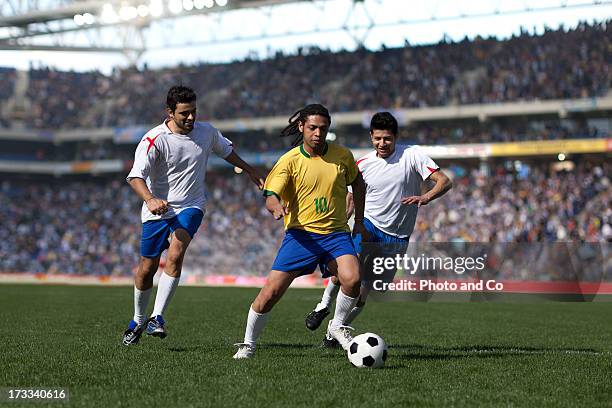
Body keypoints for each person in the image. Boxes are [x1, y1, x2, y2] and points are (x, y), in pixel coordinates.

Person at [122, 85, 264, 346]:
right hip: (157, 210)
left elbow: (227, 152)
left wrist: (249, 170)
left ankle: (158, 317)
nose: (190, 118)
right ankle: (139, 319)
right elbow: (135, 176)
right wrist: (151, 199)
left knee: (176, 252)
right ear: (170, 112)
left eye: (193, 112)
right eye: (184, 113)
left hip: (191, 205)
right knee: (146, 268)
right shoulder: (154, 139)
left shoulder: (207, 132)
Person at [304, 112, 452, 346]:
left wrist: (426, 197)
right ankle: (322, 307)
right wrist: (342, 224)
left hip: (397, 237)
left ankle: (332, 334)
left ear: (396, 137)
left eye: (387, 139)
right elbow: (351, 199)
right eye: (377, 139)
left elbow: (444, 181)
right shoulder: (362, 164)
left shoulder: (412, 155)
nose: (382, 144)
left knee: (365, 294)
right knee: (347, 272)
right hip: (368, 225)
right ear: (371, 137)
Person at [233, 104, 368, 359]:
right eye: (313, 128)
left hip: (336, 234)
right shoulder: (290, 160)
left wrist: (359, 221)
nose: (318, 133)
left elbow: (358, 184)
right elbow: (271, 194)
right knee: (270, 294)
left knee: (353, 279)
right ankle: (248, 343)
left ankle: (337, 326)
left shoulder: (343, 156)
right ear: (301, 127)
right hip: (301, 236)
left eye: (323, 129)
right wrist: (274, 206)